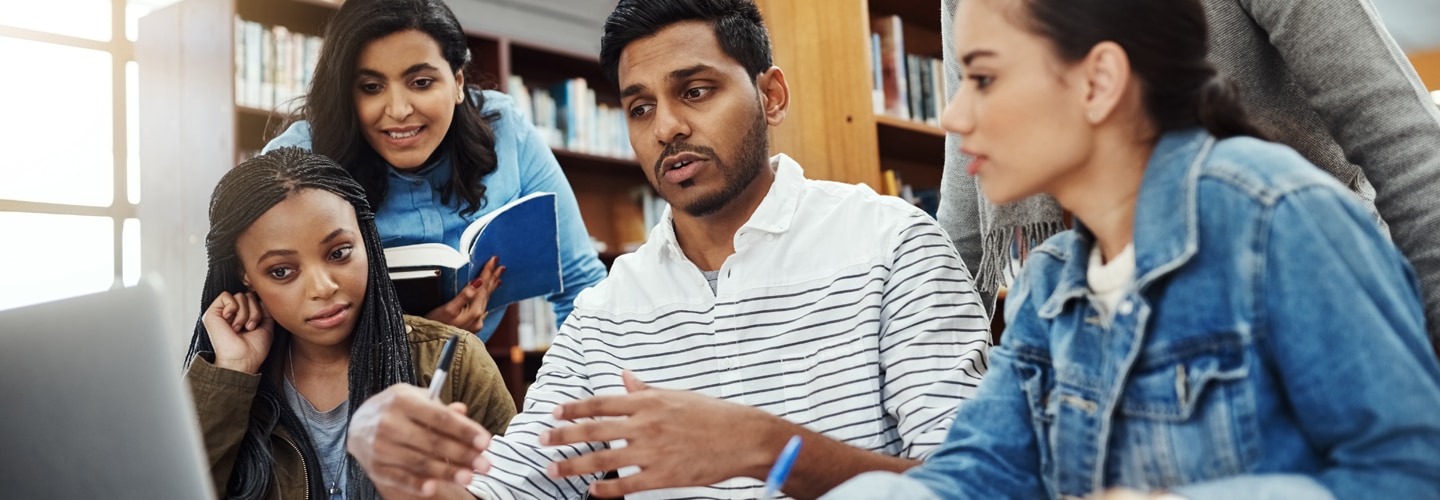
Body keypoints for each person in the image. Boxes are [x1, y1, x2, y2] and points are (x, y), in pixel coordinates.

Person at [342, 1, 993, 498]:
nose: (668, 127)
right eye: (639, 107)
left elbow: (979, 484)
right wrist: (399, 464)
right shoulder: (606, 315)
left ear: (771, 96)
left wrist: (769, 448)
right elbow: (508, 491)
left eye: (695, 91)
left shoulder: (893, 246)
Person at [823, 0, 1440, 498]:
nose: (952, 118)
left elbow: (1408, 469)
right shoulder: (1049, 287)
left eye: (982, 78)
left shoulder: (1281, 220)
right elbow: (979, 473)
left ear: (1100, 81)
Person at [936, 0, 1440, 357]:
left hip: (1299, 272)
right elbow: (966, 201)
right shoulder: (1051, 287)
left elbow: (1399, 140)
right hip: (1107, 300)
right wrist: (938, 373)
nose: (953, 116)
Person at [262, 0, 607, 342]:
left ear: (458, 82)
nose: (398, 110)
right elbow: (259, 314)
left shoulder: (505, 130)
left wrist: (570, 391)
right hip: (337, 391)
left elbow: (582, 285)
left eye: (421, 82)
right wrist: (421, 339)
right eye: (371, 87)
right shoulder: (297, 159)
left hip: (459, 386)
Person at [182, 147, 516, 500]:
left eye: (339, 253)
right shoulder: (230, 380)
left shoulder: (458, 363)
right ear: (245, 276)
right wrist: (232, 372)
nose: (323, 288)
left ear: (366, 241)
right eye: (282, 271)